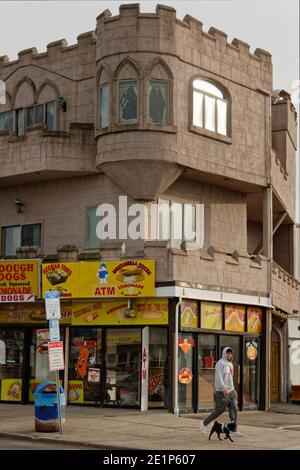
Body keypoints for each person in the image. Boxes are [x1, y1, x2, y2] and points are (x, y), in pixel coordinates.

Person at [199, 347, 242, 437]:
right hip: (222, 391)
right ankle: (204, 423)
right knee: (220, 410)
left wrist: (232, 390)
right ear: (224, 353)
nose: (229, 355)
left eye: (230, 353)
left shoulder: (230, 364)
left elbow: (230, 378)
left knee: (234, 409)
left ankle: (233, 429)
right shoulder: (220, 363)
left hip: (231, 391)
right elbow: (219, 377)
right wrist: (224, 388)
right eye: (228, 353)